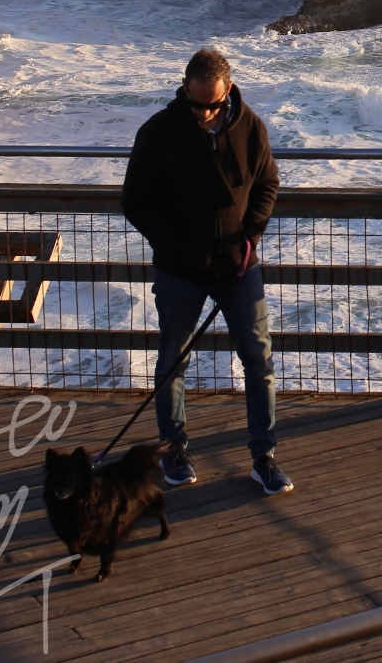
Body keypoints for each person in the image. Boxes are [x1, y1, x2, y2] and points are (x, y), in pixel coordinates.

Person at [121, 47, 294, 495]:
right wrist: (173, 245)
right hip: (180, 270)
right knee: (173, 360)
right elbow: (136, 201)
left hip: (239, 268)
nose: (203, 113)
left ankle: (265, 456)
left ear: (229, 91)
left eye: (212, 105)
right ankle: (172, 450)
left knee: (258, 361)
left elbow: (268, 183)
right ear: (185, 90)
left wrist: (251, 234)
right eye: (196, 104)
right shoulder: (158, 132)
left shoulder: (251, 127)